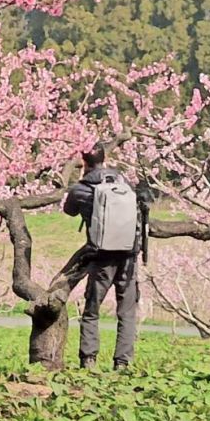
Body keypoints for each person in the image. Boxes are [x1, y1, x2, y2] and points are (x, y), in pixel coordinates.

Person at [62, 142, 143, 370]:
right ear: (105, 159)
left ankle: (89, 359)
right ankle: (122, 363)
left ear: (84, 161)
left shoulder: (81, 188)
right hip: (128, 254)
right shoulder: (122, 182)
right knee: (126, 311)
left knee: (92, 309)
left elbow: (69, 210)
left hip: (101, 255)